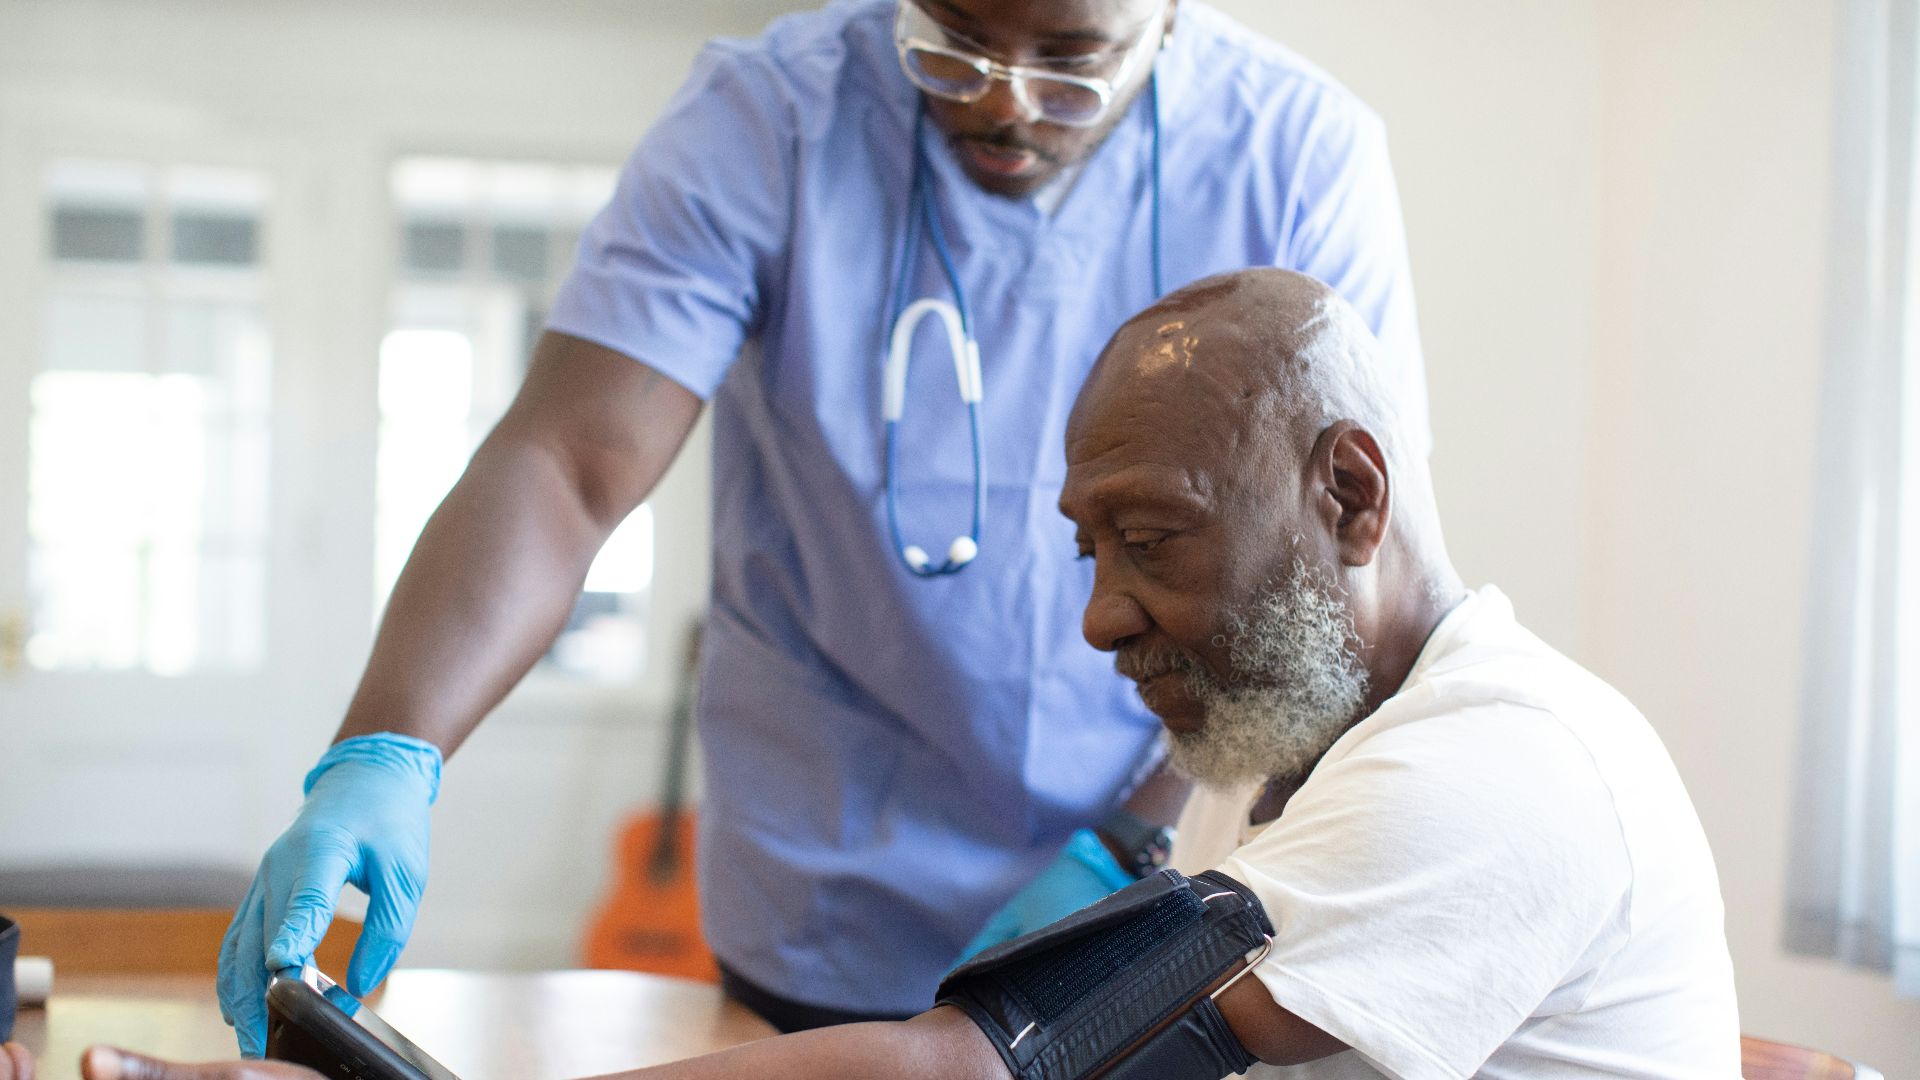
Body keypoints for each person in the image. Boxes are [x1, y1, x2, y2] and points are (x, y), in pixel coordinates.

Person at [62, 269, 1735, 1080]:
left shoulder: (1503, 771)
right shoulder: (1290, 755)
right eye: (1087, 548)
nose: (1099, 618)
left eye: (1149, 536)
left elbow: (997, 1065)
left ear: (1352, 497)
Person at [217, 0, 1432, 1050]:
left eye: (1070, 58)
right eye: (950, 42)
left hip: (1139, 883)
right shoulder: (768, 120)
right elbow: (568, 462)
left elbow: (1326, 568)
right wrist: (388, 752)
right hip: (821, 882)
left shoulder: (1297, 155)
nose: (1004, 103)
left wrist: (1133, 838)